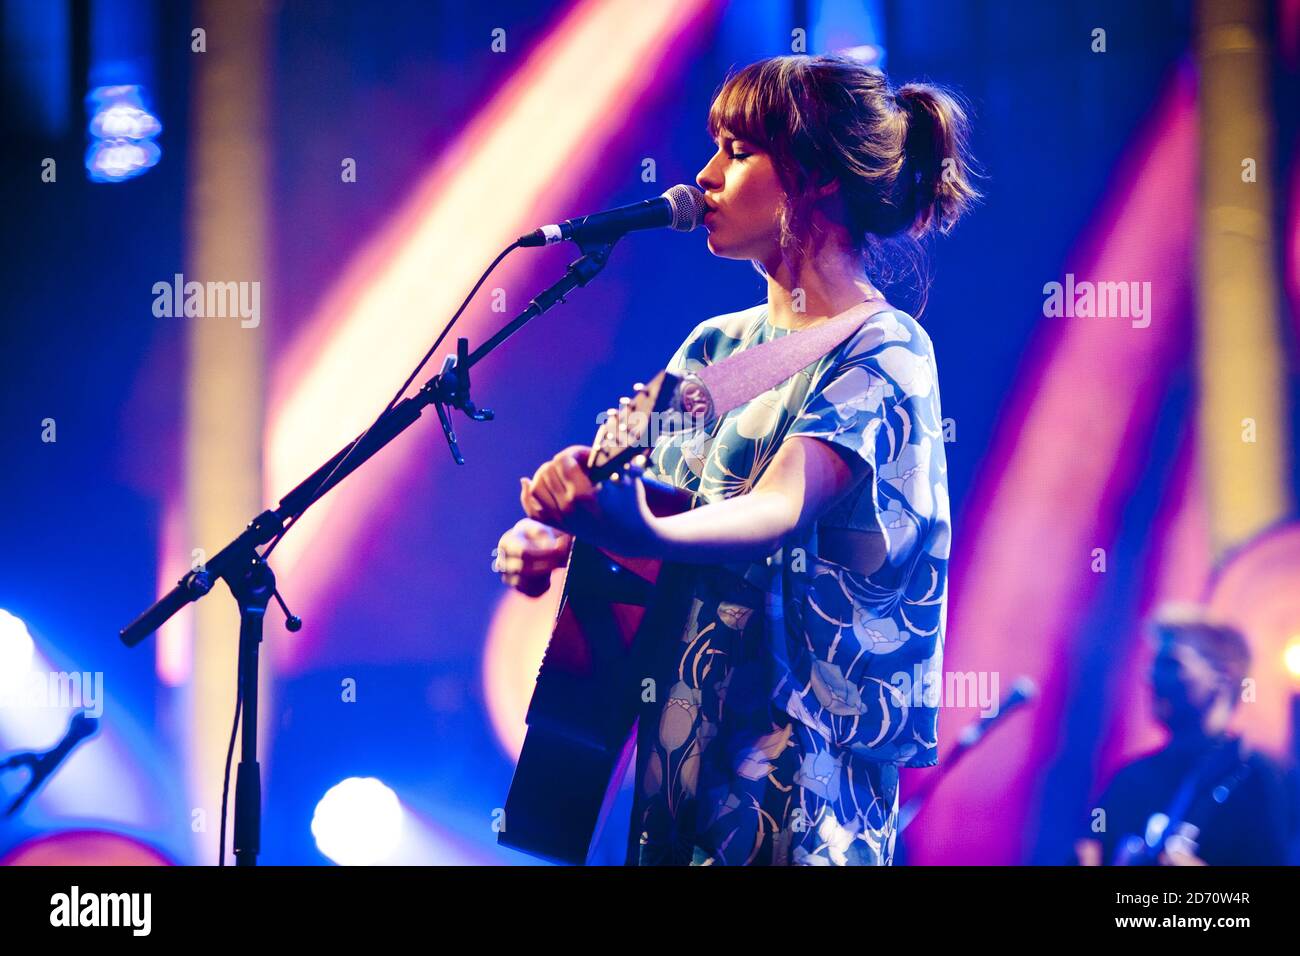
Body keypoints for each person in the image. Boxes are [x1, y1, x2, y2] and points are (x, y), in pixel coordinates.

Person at [495, 54, 977, 865]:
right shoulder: (714, 350)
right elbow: (670, 520)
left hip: (799, 778)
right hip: (681, 761)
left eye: (738, 149)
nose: (705, 175)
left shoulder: (887, 347)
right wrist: (569, 538)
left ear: (816, 174)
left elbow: (774, 510)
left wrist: (633, 523)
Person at [1074, 609, 1292, 866]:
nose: (1151, 675)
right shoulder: (1132, 777)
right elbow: (1092, 847)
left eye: (1171, 664)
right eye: (1154, 663)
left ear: (1223, 677)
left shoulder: (1258, 780)